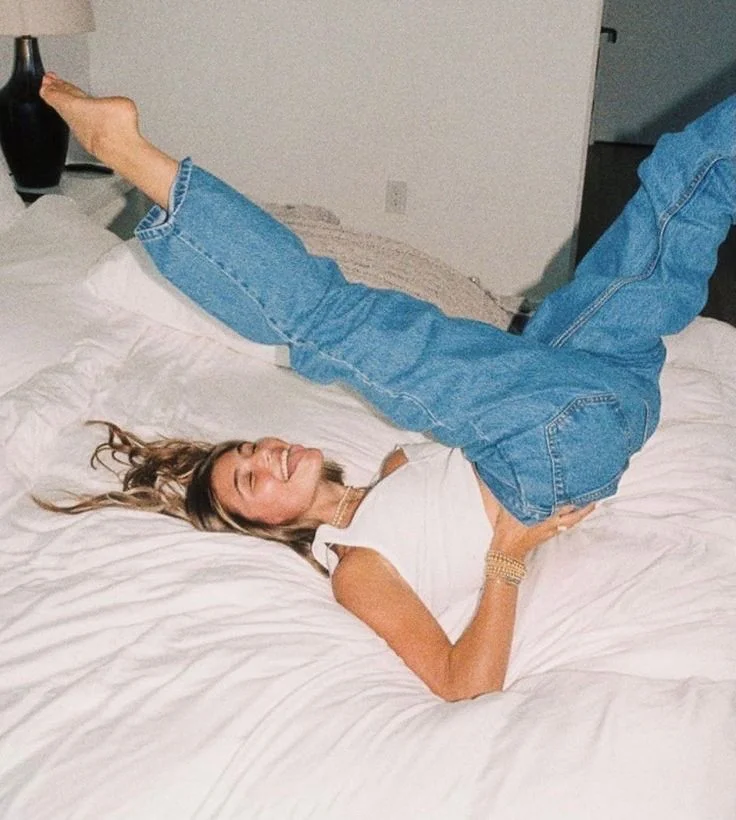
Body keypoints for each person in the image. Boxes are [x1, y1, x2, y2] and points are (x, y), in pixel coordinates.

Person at [38, 75, 735, 700]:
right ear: (275, 526)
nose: (266, 453)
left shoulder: (398, 467)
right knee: (332, 321)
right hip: (554, 446)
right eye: (252, 480)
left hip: (596, 390)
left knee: (683, 185)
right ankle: (130, 155)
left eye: (248, 449)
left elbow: (449, 435)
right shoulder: (357, 568)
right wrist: (508, 559)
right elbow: (465, 684)